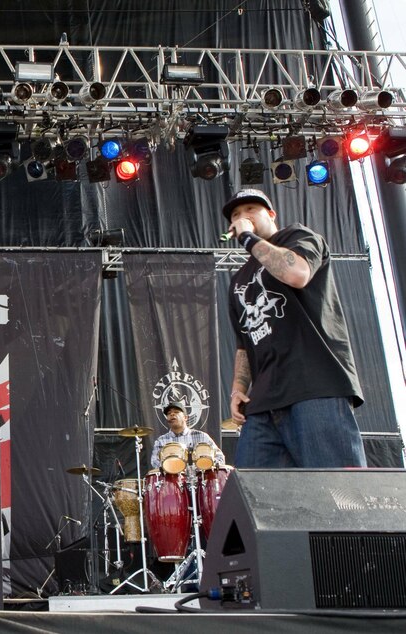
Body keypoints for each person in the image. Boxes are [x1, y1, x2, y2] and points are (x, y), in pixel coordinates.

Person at [223, 188, 366, 468]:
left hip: (315, 387)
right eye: (236, 215)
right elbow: (245, 341)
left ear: (271, 214)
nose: (243, 216)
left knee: (338, 494)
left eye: (251, 209)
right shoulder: (239, 280)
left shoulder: (299, 237)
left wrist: (248, 237)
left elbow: (296, 274)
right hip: (263, 402)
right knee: (258, 501)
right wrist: (238, 389)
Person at [150, 401, 224, 470]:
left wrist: (208, 465)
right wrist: (168, 467)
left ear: (185, 417)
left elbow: (219, 456)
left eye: (176, 412)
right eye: (169, 413)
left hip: (200, 479)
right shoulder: (161, 440)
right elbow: (154, 460)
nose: (172, 414)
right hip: (172, 479)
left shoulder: (202, 436)